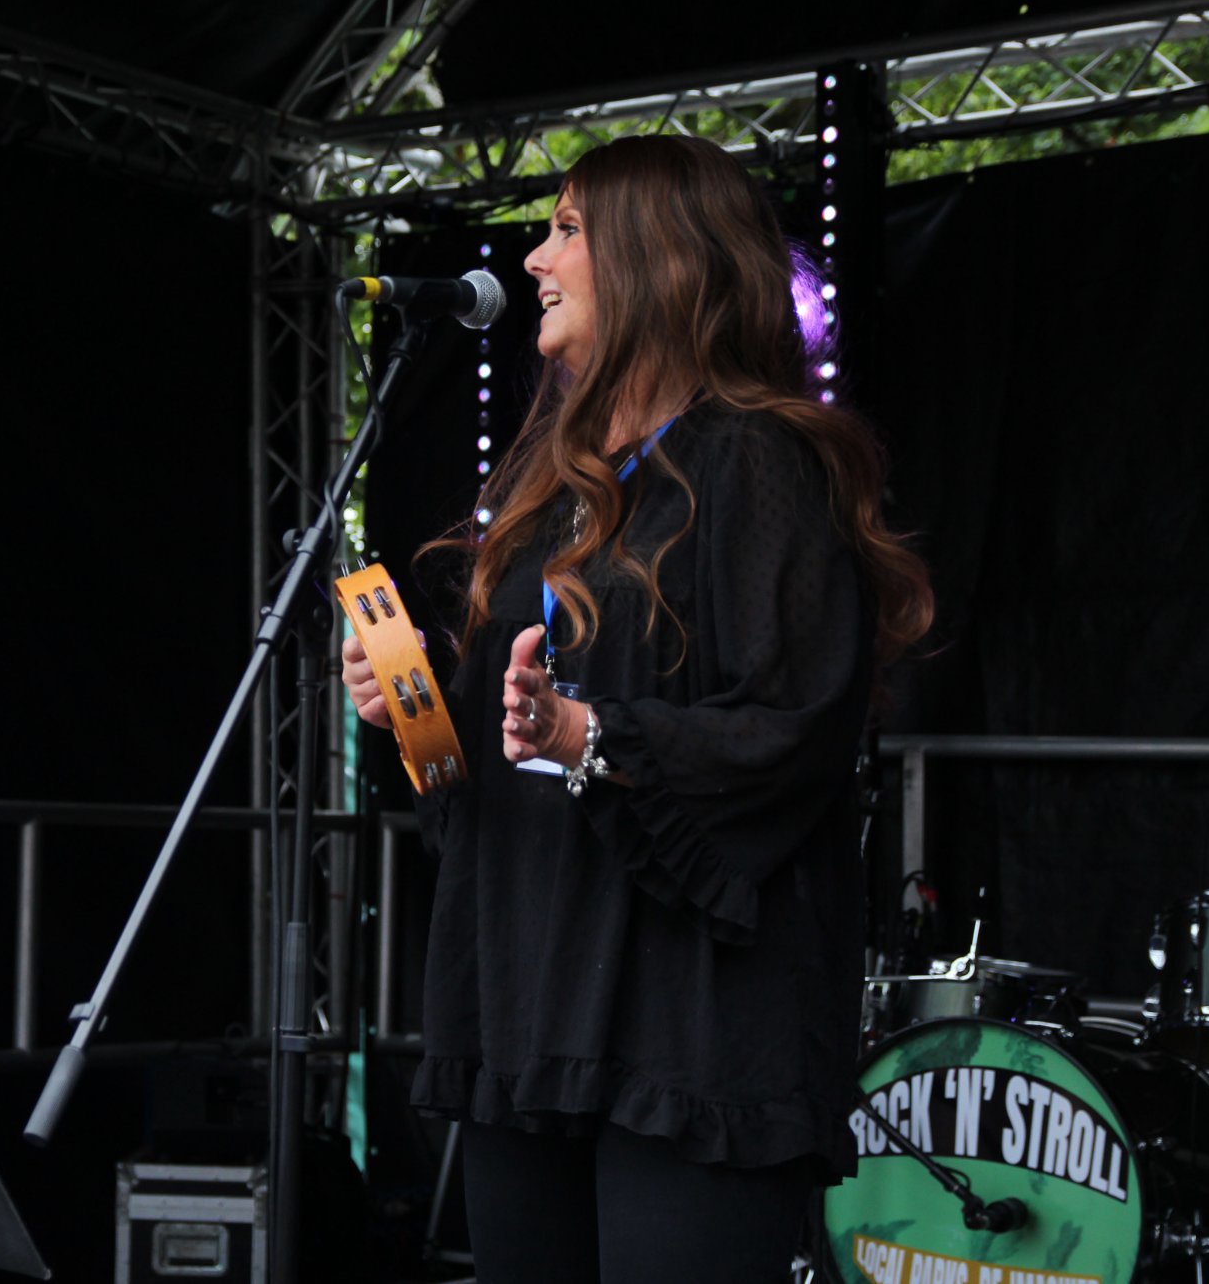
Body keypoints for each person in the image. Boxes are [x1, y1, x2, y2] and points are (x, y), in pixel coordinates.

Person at [342, 137, 933, 1281]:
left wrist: (586, 733)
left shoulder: (759, 459)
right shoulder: (547, 485)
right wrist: (413, 717)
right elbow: (496, 764)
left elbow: (792, 725)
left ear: (659, 259)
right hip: (531, 991)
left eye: (565, 230)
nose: (532, 260)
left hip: (687, 1017)